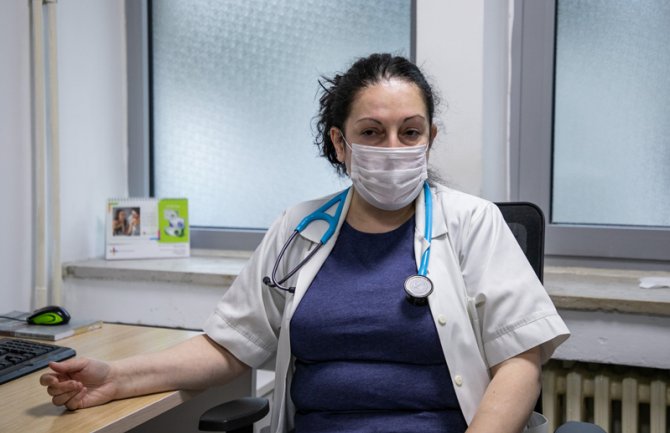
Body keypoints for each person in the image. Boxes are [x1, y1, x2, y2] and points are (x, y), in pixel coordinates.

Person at [40, 53, 569, 433]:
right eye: (371, 132)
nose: (393, 147)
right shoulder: (300, 228)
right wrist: (115, 378)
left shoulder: (473, 222)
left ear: (430, 138)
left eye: (410, 132)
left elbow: (520, 362)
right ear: (340, 143)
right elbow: (231, 345)